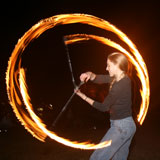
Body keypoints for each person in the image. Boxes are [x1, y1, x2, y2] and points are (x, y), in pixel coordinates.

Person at [75, 52, 136, 160]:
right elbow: (99, 78)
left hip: (121, 127)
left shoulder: (119, 85)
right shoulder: (121, 77)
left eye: (109, 65)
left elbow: (104, 107)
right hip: (127, 125)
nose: (106, 68)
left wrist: (83, 96)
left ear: (117, 66)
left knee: (97, 158)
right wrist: (88, 74)